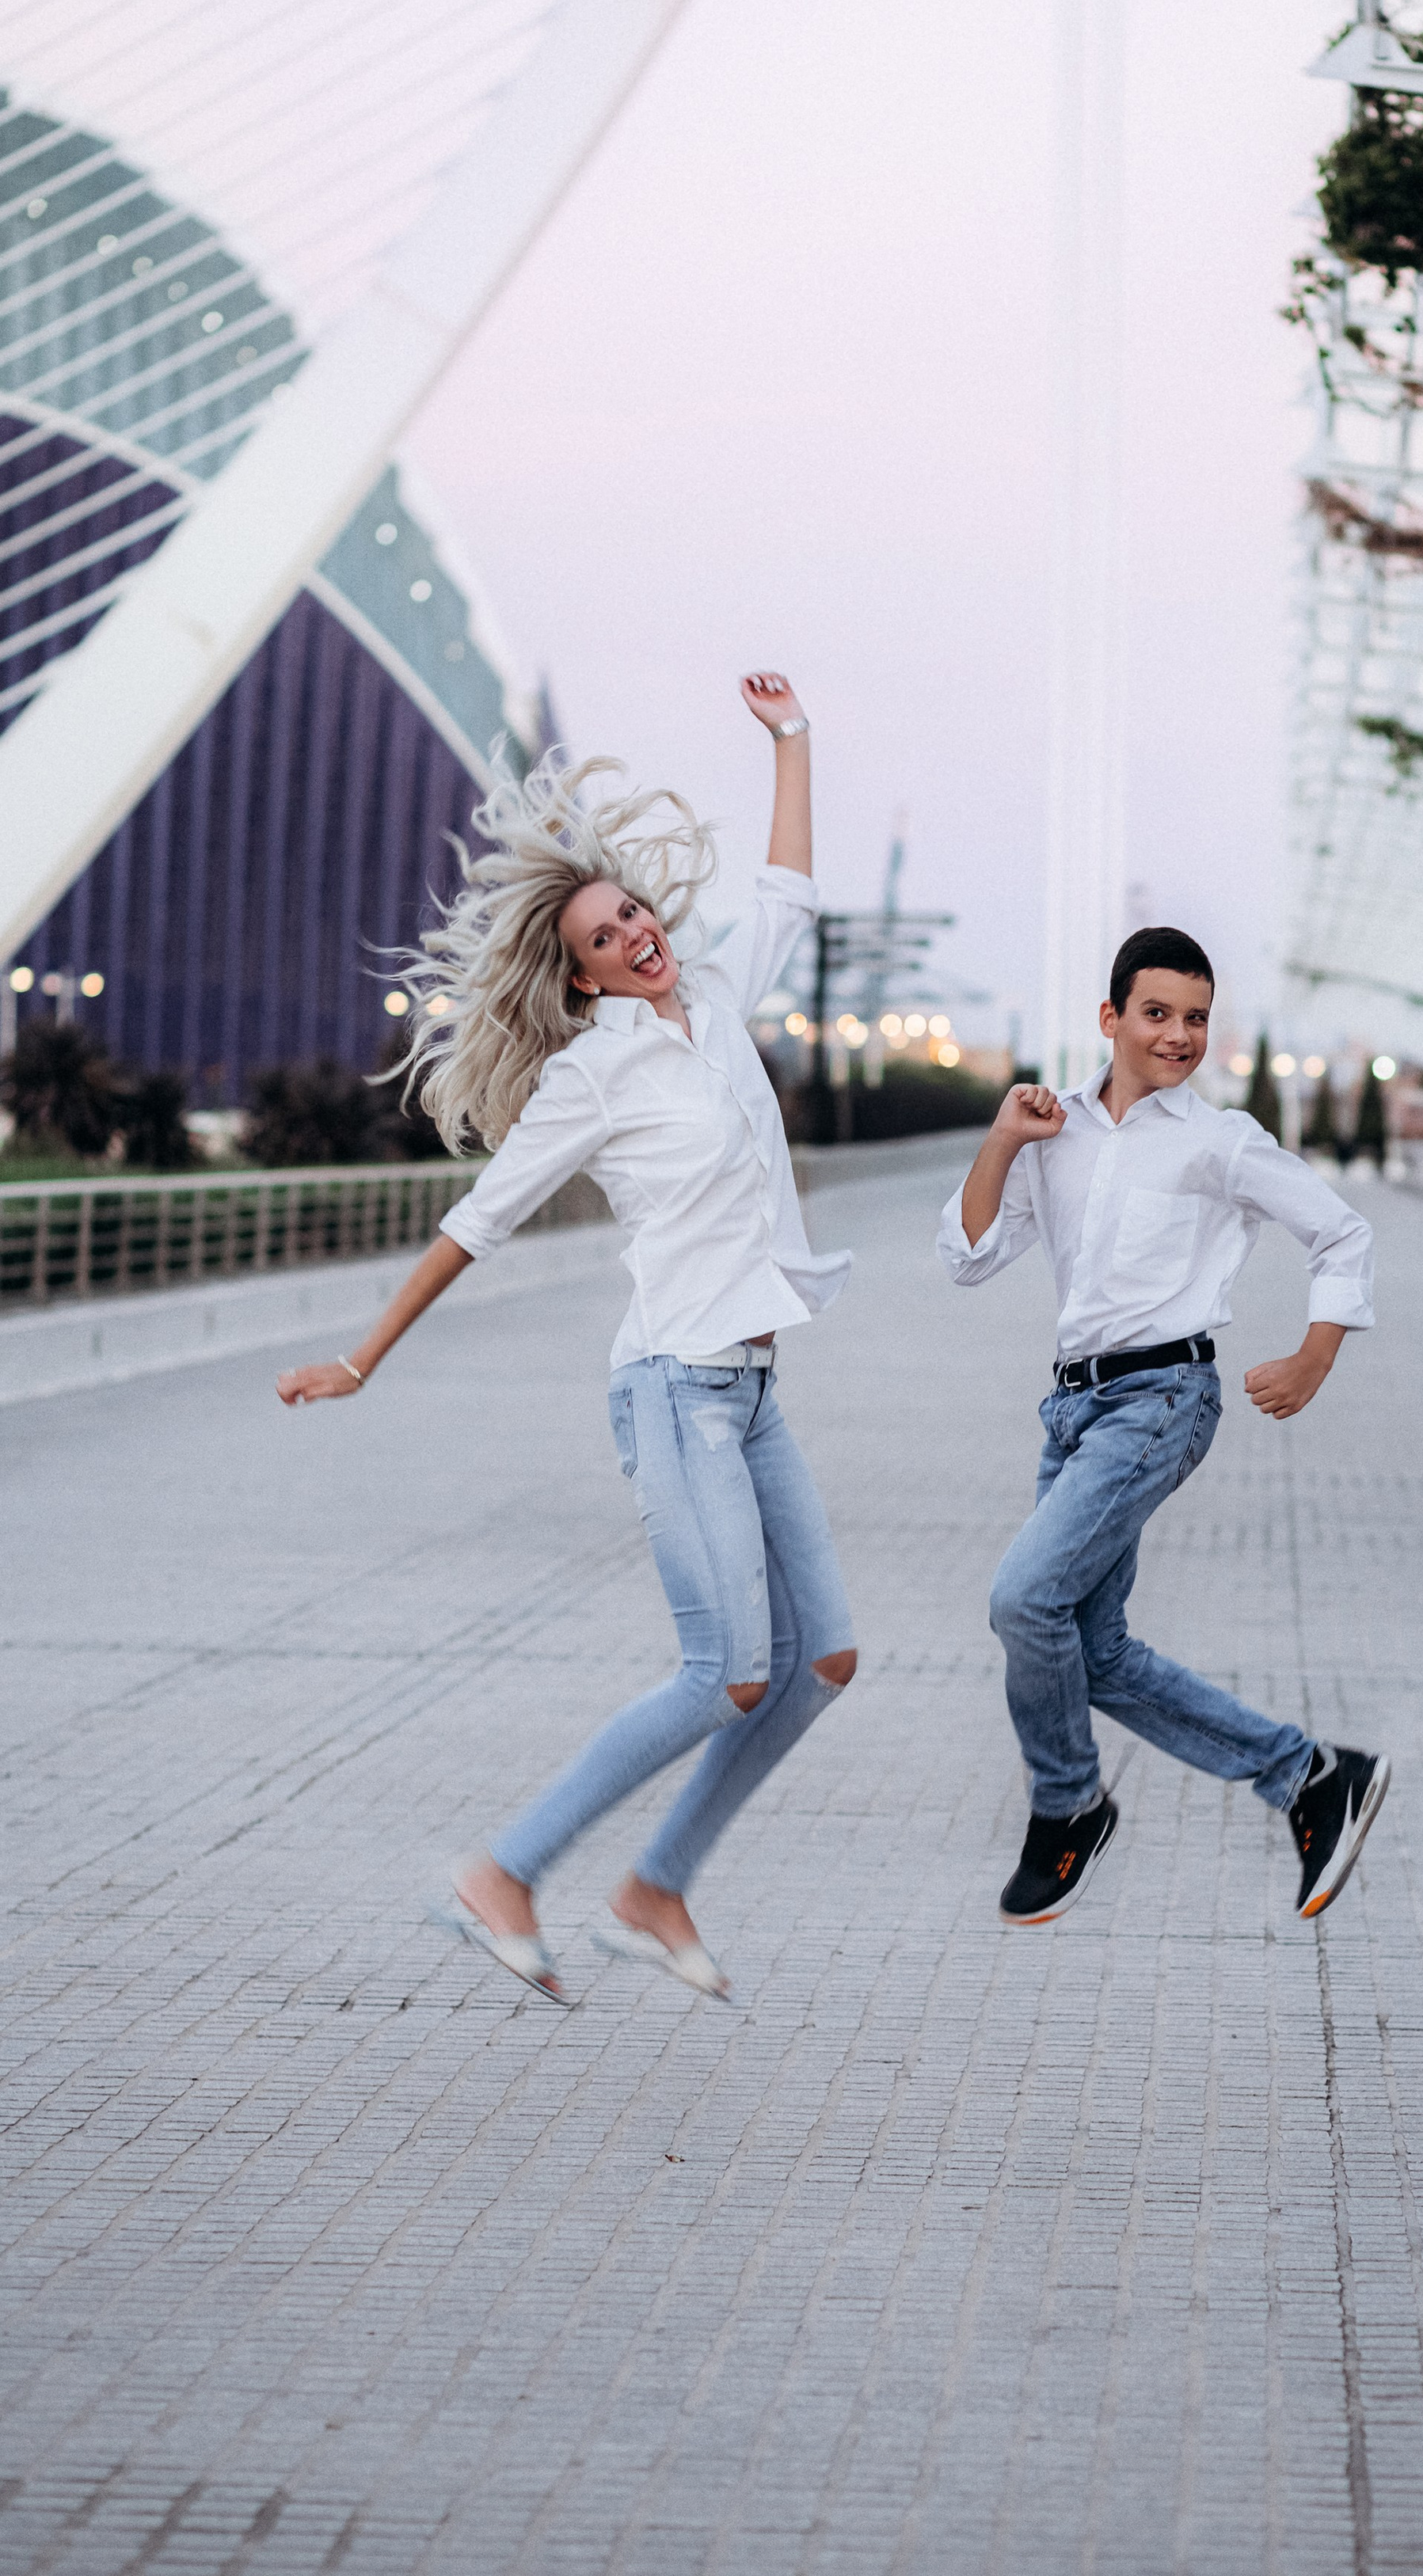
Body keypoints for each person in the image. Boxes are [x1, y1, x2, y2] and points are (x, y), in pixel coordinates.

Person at [276, 674, 856, 2006]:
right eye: (608, 934)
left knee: (819, 1662)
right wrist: (365, 1356)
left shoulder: (713, 996)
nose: (638, 935)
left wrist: (793, 743)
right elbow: (477, 1223)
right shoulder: (594, 1074)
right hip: (674, 1391)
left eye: (637, 911)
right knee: (729, 1673)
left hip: (753, 1390)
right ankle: (505, 1874)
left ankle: (654, 1891)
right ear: (579, 969)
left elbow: (788, 892)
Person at [937, 926, 1389, 1927]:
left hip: (1161, 1401)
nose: (1178, 1035)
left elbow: (1341, 1232)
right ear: (1111, 1019)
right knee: (1091, 1654)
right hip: (1071, 1410)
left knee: (1023, 1601)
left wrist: (1315, 1356)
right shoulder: (1053, 1131)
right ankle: (1312, 1776)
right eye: (1157, 1013)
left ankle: (1067, 1809)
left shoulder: (1218, 1141)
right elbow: (966, 1256)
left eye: (1194, 1018)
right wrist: (1005, 1136)